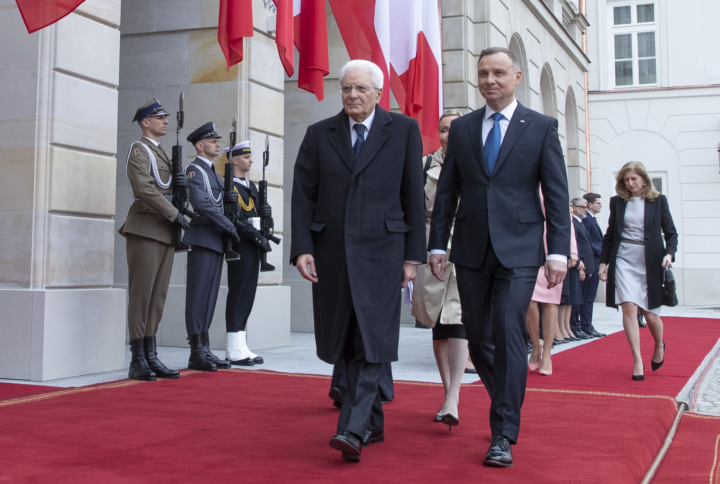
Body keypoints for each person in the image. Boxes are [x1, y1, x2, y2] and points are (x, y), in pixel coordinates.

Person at [428, 47, 570, 468]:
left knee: (509, 329)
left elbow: (557, 196)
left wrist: (557, 251)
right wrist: (438, 245)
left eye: (499, 73)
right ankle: (507, 397)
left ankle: (502, 431)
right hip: (471, 248)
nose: (490, 80)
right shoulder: (466, 129)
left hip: (521, 250)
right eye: (484, 73)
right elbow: (448, 192)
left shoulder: (541, 127)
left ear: (517, 76)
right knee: (478, 335)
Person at [291, 59, 425, 462]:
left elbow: (412, 198)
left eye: (361, 89)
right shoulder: (319, 134)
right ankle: (374, 424)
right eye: (346, 88)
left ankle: (351, 428)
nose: (352, 95)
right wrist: (302, 248)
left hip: (384, 253)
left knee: (373, 338)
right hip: (331, 253)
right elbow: (302, 196)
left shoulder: (402, 131)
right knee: (346, 337)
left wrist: (412, 257)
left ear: (378, 93)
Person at [119, 98, 186, 381]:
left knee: (157, 297)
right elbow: (144, 188)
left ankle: (150, 355)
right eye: (160, 118)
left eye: (167, 118)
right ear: (145, 122)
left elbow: (170, 190)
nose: (166, 121)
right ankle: (137, 359)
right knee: (142, 295)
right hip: (146, 226)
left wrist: (186, 210)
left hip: (164, 229)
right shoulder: (139, 150)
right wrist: (176, 215)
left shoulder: (163, 154)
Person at [411, 110, 470, 426]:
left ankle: (453, 397)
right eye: (444, 129)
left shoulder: (477, 163)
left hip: (466, 244)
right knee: (437, 320)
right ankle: (448, 392)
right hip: (431, 242)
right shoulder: (424, 165)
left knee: (458, 316)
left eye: (457, 129)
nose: (450, 135)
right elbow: (411, 208)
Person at [599, 161, 678, 381]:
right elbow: (609, 236)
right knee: (629, 308)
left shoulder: (658, 201)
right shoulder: (617, 202)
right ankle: (637, 361)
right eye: (626, 180)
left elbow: (671, 234)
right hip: (624, 259)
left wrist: (669, 254)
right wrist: (603, 263)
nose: (630, 183)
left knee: (652, 316)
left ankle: (659, 345)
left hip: (651, 261)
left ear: (644, 179)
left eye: (634, 178)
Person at [183, 122, 240, 372]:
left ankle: (204, 348)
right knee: (198, 295)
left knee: (210, 296)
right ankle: (196, 351)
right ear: (200, 145)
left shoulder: (215, 174)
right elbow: (203, 204)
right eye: (213, 141)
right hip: (204, 236)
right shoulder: (194, 171)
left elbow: (220, 202)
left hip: (216, 238)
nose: (218, 144)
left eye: (217, 140)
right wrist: (229, 225)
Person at [222, 141, 272, 366]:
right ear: (234, 160)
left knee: (248, 294)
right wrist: (254, 234)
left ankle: (241, 344)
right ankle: (233, 347)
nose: (251, 160)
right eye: (246, 157)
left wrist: (267, 218)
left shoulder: (250, 186)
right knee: (238, 293)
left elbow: (258, 212)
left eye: (251, 157)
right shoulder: (228, 186)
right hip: (241, 244)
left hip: (254, 245)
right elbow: (236, 218)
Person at [525, 192, 566, 376]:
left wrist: (569, 251)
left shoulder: (550, 184)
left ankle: (547, 353)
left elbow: (564, 218)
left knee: (550, 301)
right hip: (526, 247)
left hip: (552, 249)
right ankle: (536, 345)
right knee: (528, 300)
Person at [570, 198, 603, 338]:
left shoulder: (583, 222)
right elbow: (579, 245)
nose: (585, 210)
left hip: (590, 264)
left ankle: (585, 325)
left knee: (588, 297)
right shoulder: (579, 222)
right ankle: (580, 326)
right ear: (574, 208)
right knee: (581, 298)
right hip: (584, 264)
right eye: (582, 207)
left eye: (585, 207)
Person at [582, 193, 604, 332]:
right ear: (590, 205)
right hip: (592, 261)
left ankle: (587, 325)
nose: (600, 205)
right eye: (598, 203)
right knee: (588, 296)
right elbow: (587, 242)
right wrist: (603, 252)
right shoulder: (587, 220)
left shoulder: (593, 219)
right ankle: (585, 325)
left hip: (596, 261)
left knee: (590, 296)